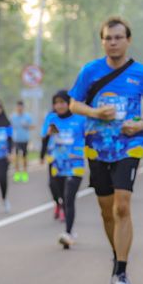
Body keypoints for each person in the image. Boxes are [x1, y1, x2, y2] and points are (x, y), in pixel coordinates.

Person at [69, 16, 143, 284]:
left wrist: (141, 124)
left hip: (129, 145)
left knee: (122, 206)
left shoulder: (140, 72)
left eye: (118, 37)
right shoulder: (90, 71)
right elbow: (74, 104)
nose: (113, 43)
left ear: (128, 40)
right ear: (102, 42)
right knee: (106, 209)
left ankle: (121, 271)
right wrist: (95, 112)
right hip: (97, 147)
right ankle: (117, 255)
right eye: (108, 38)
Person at [40, 90, 86, 248]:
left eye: (62, 102)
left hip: (75, 165)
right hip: (57, 165)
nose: (59, 106)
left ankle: (68, 232)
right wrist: (47, 137)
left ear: (69, 103)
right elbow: (44, 138)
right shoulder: (51, 119)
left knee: (69, 197)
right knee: (60, 196)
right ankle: (69, 230)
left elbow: (90, 138)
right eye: (56, 103)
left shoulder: (80, 119)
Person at [10, 100, 34, 182]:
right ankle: (17, 174)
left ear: (23, 107)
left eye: (21, 107)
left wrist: (27, 125)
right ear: (16, 107)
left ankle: (24, 174)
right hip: (16, 139)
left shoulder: (27, 117)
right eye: (18, 107)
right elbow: (9, 127)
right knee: (16, 157)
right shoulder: (13, 117)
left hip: (24, 139)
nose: (19, 108)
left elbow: (32, 126)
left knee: (24, 157)